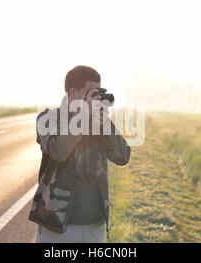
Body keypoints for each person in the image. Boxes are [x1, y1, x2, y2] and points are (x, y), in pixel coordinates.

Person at [28, 65, 131, 243]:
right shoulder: (48, 119)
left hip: (94, 225)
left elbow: (123, 157)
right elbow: (58, 151)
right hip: (56, 226)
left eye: (99, 93)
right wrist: (83, 119)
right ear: (73, 93)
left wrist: (106, 125)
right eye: (92, 93)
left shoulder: (98, 122)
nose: (97, 99)